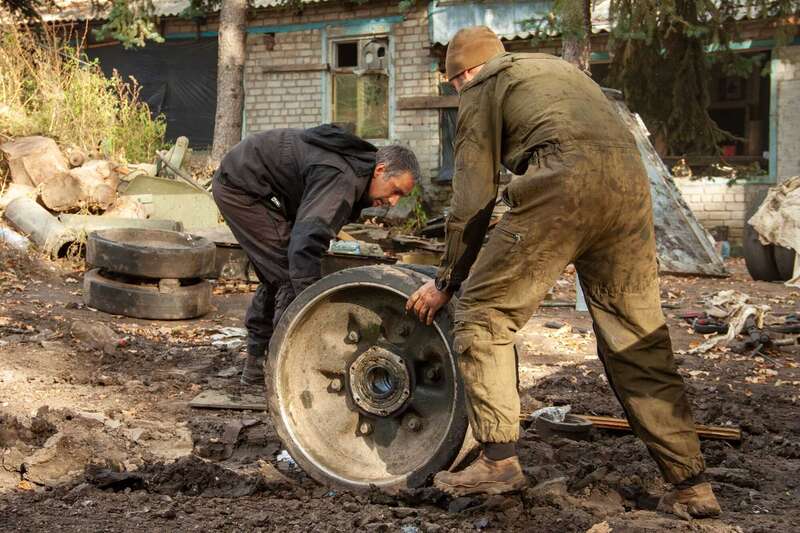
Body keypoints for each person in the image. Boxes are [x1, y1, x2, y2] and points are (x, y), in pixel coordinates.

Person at [406, 26, 721, 517]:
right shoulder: (553, 68)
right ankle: (691, 484)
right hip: (630, 192)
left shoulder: (482, 86)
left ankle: (499, 461)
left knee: (484, 313)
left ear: (461, 73)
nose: (455, 90)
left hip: (565, 185)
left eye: (452, 84)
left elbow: (472, 199)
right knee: (637, 338)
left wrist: (448, 279)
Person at [214, 124, 419, 385]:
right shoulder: (343, 178)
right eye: (395, 191)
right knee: (290, 273)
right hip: (241, 188)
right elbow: (306, 243)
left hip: (256, 184)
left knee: (276, 272)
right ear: (380, 171)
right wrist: (314, 309)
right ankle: (285, 370)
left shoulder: (354, 171)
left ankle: (256, 363)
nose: (393, 202)